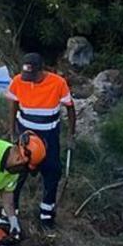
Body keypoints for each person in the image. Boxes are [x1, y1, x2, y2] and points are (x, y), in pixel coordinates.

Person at [6, 51, 76, 230]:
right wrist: (12, 130)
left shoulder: (57, 83)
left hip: (49, 137)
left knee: (52, 173)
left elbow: (70, 107)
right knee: (16, 174)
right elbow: (13, 105)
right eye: (26, 76)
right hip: (25, 136)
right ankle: (9, 215)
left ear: (41, 70)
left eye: (33, 76)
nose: (29, 80)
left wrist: (70, 135)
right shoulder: (18, 81)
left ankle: (46, 217)